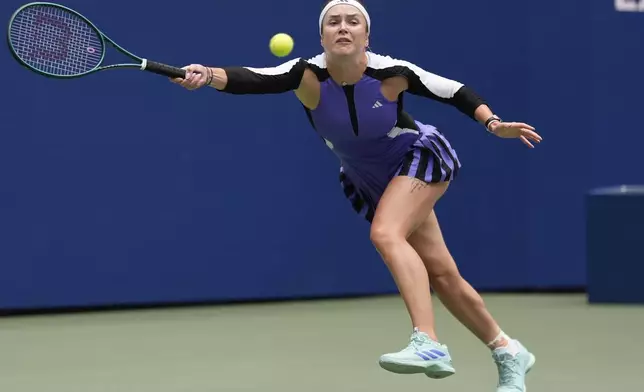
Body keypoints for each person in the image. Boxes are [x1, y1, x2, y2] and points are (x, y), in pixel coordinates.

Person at [171, 0, 542, 390]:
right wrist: (207, 74)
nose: (343, 28)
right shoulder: (305, 74)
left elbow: (454, 91)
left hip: (416, 159)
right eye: (334, 22)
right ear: (322, 36)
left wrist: (493, 123)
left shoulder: (391, 73)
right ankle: (508, 350)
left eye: (353, 22)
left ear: (367, 36)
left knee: (386, 234)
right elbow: (253, 77)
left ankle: (428, 342)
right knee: (443, 274)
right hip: (368, 178)